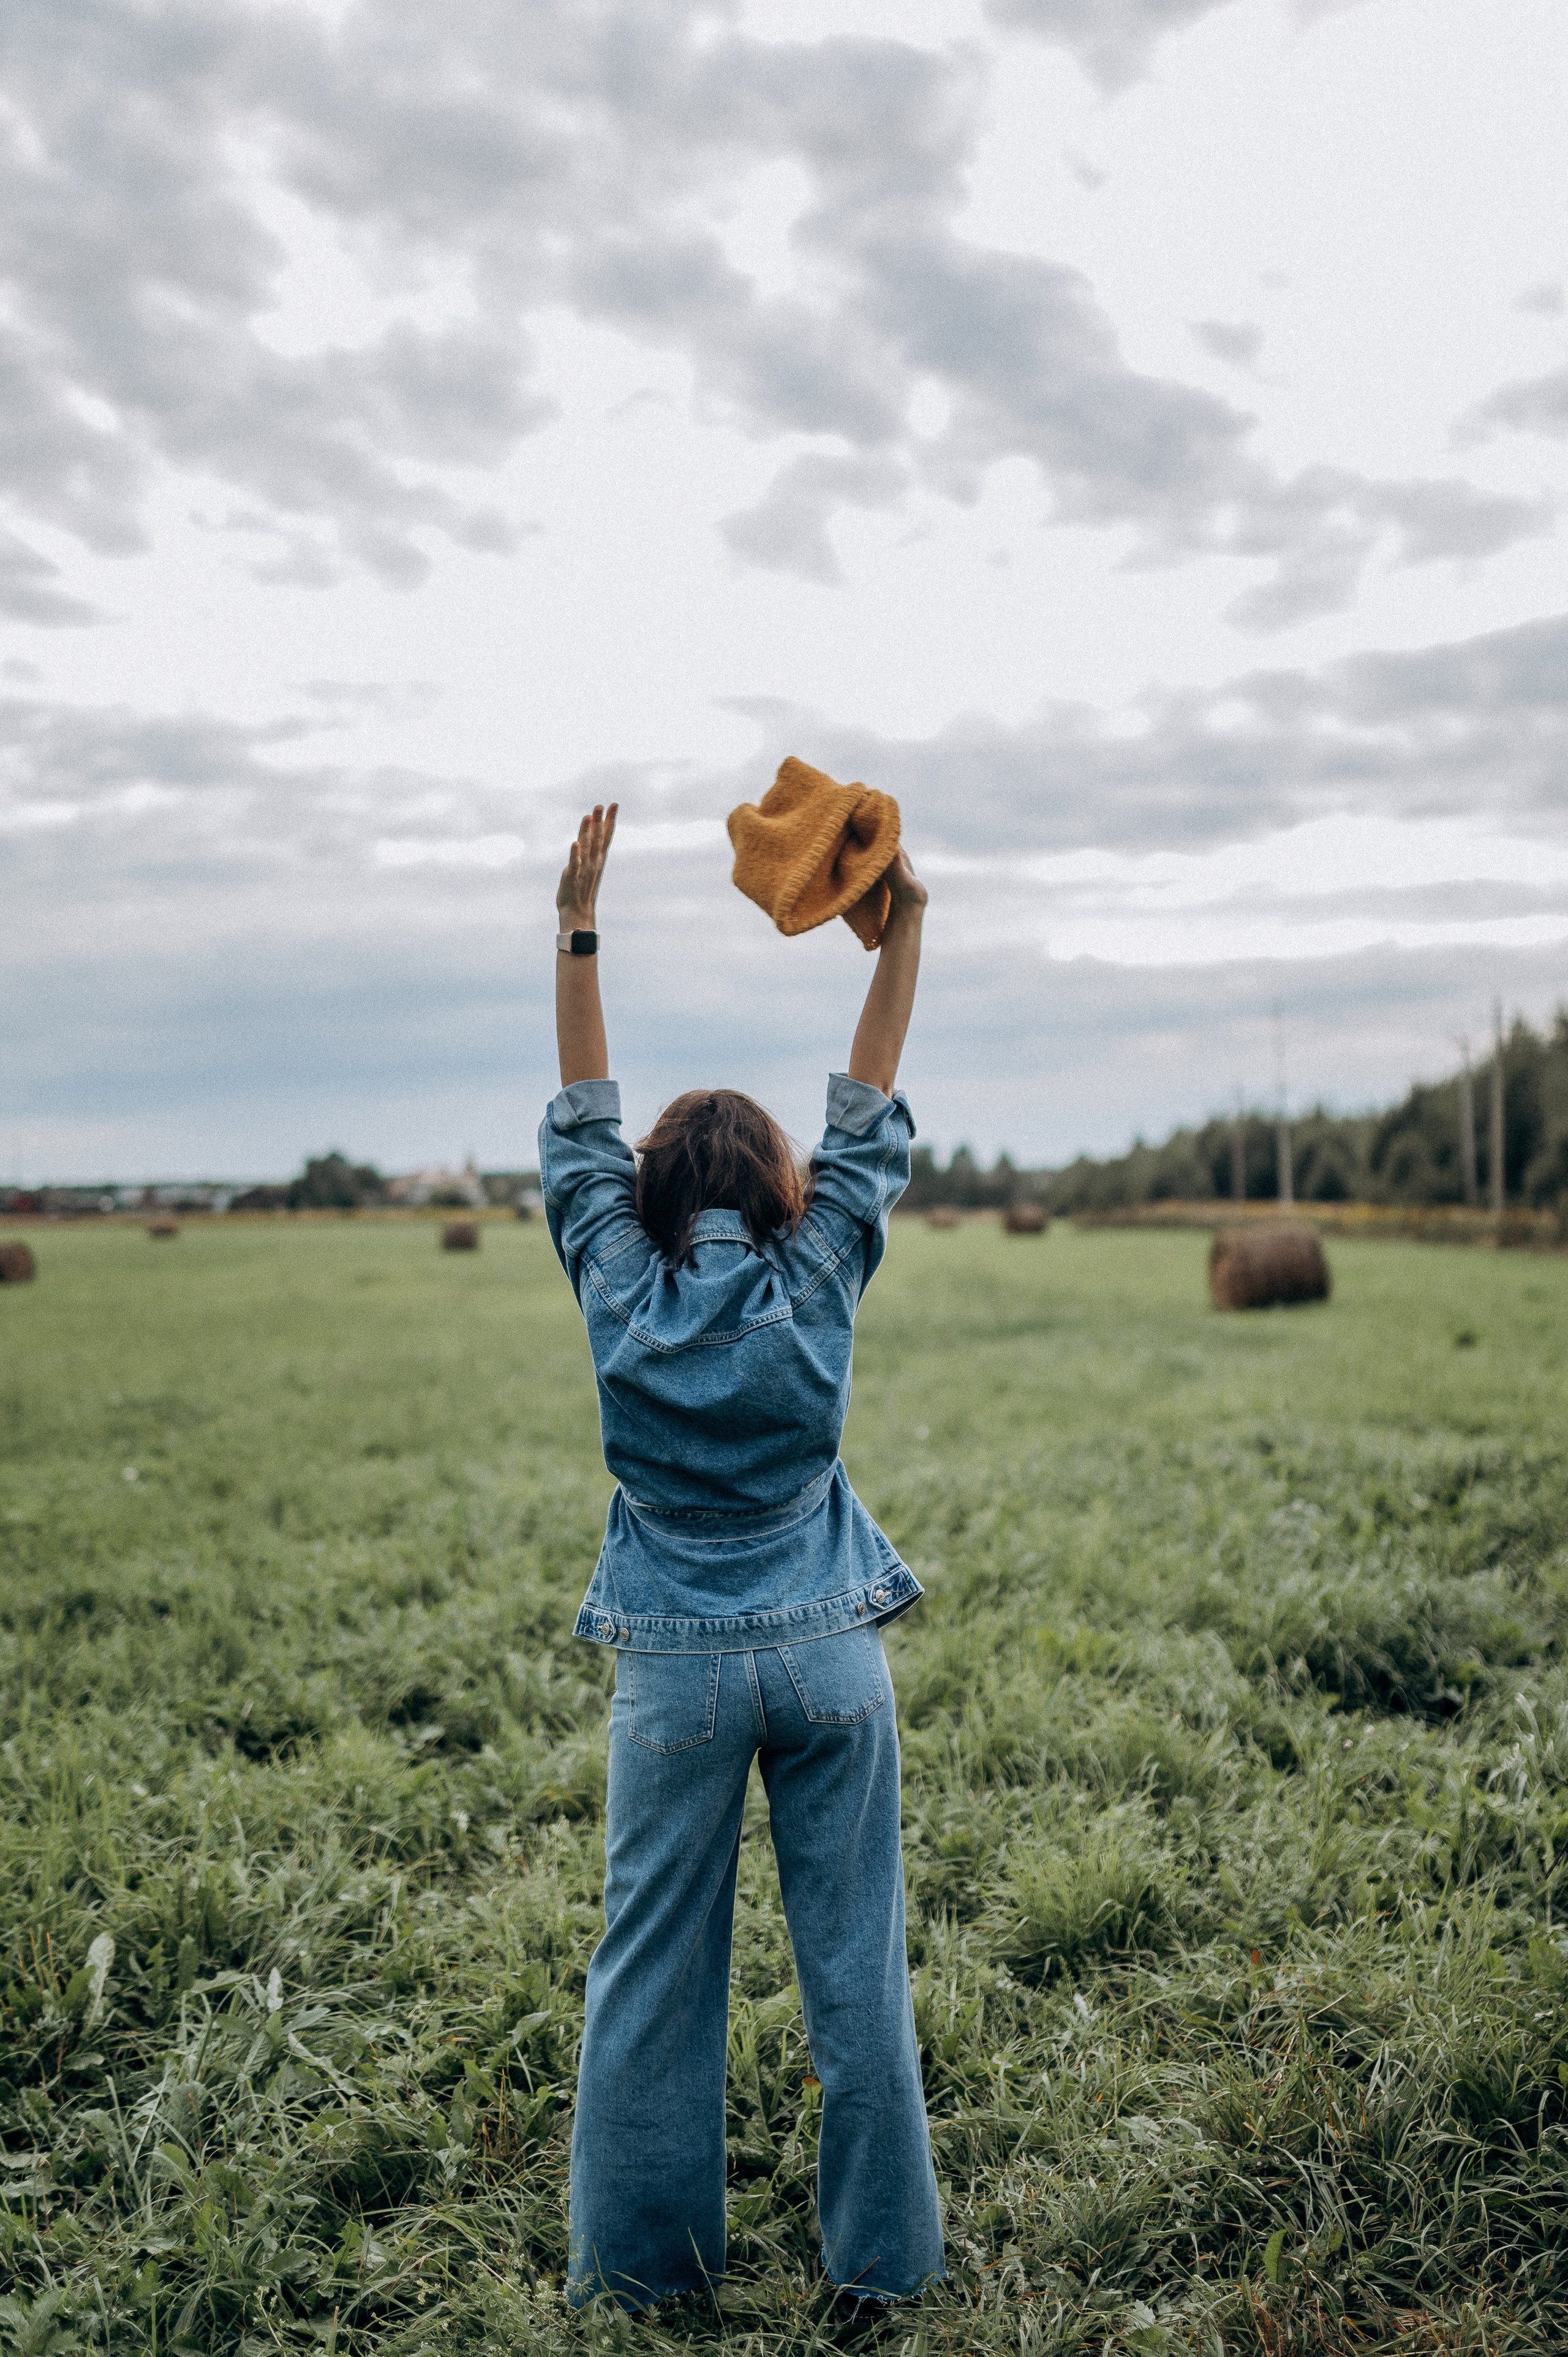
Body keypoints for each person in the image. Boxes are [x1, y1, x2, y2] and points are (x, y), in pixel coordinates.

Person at [539, 801, 943, 2316]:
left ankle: (647, 2289)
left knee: (648, 1982)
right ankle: (881, 2281)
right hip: (833, 1660)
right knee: (860, 1985)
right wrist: (902, 924)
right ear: (775, 1191)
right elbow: (869, 1104)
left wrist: (576, 926)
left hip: (676, 1679)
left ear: (647, 1201)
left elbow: (582, 1108)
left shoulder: (611, 1277)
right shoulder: (822, 1262)